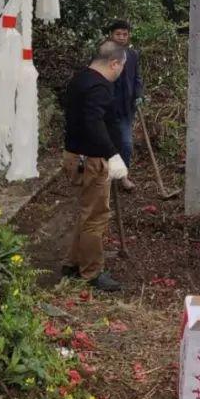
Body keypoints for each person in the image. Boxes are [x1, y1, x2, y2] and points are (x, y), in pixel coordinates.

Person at [61, 41, 130, 291]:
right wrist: (112, 154)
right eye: (121, 67)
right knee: (96, 218)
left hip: (75, 155)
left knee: (86, 211)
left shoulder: (79, 80)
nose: (120, 72)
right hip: (91, 160)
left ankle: (72, 263)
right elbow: (93, 122)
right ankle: (91, 273)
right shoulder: (100, 87)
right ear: (114, 63)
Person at [107, 20, 143, 192]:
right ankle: (103, 177)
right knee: (106, 143)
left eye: (124, 34)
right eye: (118, 34)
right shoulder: (102, 54)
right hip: (106, 108)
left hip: (126, 108)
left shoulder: (133, 55)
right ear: (111, 35)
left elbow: (137, 78)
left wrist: (138, 95)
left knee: (126, 144)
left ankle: (123, 176)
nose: (121, 37)